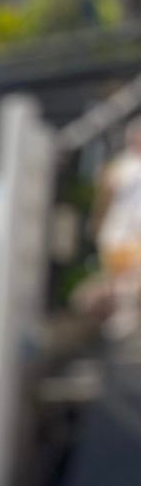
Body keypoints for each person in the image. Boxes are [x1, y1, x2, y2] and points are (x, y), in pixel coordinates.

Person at [91, 118, 141, 335]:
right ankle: (122, 317)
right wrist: (98, 219)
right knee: (119, 278)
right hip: (118, 231)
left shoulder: (121, 167)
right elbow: (106, 196)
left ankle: (127, 316)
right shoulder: (121, 166)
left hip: (134, 232)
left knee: (131, 279)